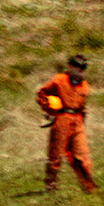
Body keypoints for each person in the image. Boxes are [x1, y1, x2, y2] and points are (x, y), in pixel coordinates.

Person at [34, 54, 98, 193]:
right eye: (78, 66)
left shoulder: (84, 85)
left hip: (77, 120)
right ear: (70, 66)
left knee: (82, 155)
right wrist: (49, 108)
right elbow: (41, 93)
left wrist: (82, 122)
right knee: (55, 155)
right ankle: (50, 186)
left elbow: (83, 107)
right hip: (62, 118)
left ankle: (89, 187)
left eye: (83, 67)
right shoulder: (59, 80)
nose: (80, 70)